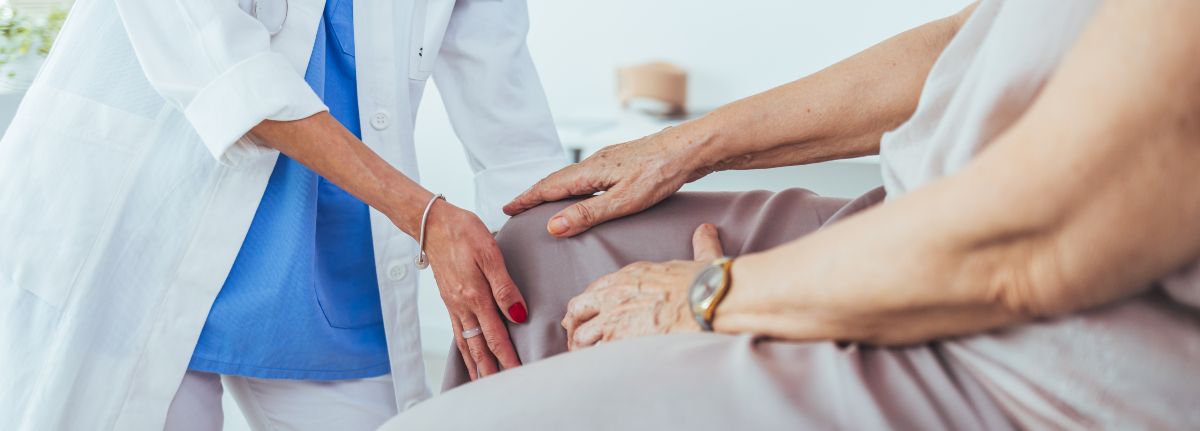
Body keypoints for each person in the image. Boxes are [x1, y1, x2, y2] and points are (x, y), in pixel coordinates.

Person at [383, 0, 1200, 429]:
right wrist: (688, 146)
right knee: (538, 250)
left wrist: (707, 297)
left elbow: (1019, 249)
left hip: (1010, 360)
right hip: (916, 216)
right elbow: (973, 38)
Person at [0, 0, 565, 429]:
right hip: (139, 230)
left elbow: (514, 135)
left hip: (329, 254)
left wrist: (563, 289)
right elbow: (228, 75)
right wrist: (425, 216)